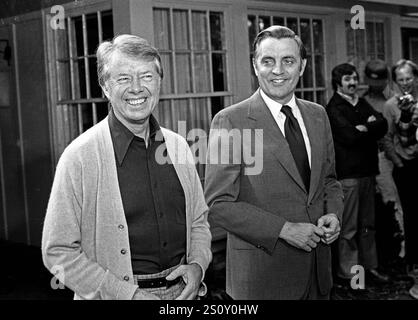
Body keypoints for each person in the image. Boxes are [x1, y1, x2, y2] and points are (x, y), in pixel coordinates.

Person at [41, 34, 212, 300]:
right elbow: (58, 252)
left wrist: (198, 265)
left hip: (184, 295)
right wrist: (127, 294)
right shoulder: (79, 157)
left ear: (159, 83)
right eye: (123, 78)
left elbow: (199, 221)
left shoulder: (178, 146)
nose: (136, 88)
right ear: (106, 87)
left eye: (146, 76)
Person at [204, 25, 344, 300]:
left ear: (302, 66)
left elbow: (329, 181)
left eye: (288, 61)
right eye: (268, 61)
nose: (278, 70)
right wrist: (284, 230)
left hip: (319, 275)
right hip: (264, 279)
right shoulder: (230, 120)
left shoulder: (318, 115)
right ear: (255, 66)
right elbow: (218, 205)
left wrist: (334, 214)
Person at [326, 63, 389, 288]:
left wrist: (366, 128)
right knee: (349, 228)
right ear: (338, 83)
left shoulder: (361, 102)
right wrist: (365, 127)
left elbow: (383, 124)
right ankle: (351, 276)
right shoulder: (333, 108)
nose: (353, 83)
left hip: (367, 172)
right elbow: (349, 137)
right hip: (348, 176)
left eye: (354, 78)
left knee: (367, 225)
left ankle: (369, 268)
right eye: (347, 80)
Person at [382, 59, 418, 299]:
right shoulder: (390, 105)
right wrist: (399, 162)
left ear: (415, 78)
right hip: (406, 167)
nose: (405, 83)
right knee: (413, 216)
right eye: (400, 79)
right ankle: (414, 268)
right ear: (395, 82)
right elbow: (386, 138)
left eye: (409, 78)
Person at [363, 60, 403, 265]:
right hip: (374, 159)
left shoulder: (393, 101)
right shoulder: (363, 102)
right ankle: (389, 253)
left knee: (396, 204)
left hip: (395, 157)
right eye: (373, 80)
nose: (376, 84)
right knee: (383, 206)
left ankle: (399, 250)